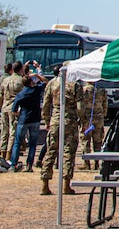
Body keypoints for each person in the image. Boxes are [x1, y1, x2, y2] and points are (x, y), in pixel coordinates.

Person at [39, 64, 85, 196]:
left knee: (51, 151)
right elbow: (80, 107)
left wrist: (47, 121)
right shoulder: (75, 85)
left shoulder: (52, 83)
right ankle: (66, 185)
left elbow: (46, 105)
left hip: (55, 120)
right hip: (70, 121)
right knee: (68, 153)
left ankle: (45, 184)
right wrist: (83, 121)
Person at [10, 73, 47, 172]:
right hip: (35, 119)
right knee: (32, 143)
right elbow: (45, 82)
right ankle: (29, 165)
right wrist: (37, 75)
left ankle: (13, 164)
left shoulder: (20, 95)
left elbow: (13, 111)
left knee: (17, 142)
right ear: (31, 82)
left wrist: (19, 114)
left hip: (23, 119)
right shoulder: (36, 90)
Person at [0, 62, 25, 162]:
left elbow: (0, 96)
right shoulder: (21, 80)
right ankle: (9, 154)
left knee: (4, 131)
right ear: (21, 69)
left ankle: (2, 152)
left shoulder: (5, 80)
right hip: (15, 109)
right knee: (13, 132)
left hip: (5, 107)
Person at [79, 81, 107, 166]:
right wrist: (102, 115)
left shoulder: (83, 90)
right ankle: (97, 162)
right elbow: (105, 105)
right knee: (98, 141)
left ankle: (86, 163)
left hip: (87, 119)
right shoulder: (101, 90)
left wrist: (81, 118)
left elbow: (80, 106)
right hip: (98, 118)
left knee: (85, 141)